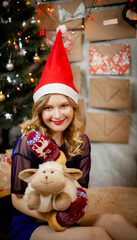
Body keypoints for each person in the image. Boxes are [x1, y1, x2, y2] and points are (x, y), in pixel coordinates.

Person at [10, 30, 137, 240]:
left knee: (115, 221)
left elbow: (80, 190)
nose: (57, 114)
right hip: (32, 220)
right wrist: (52, 219)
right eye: (48, 108)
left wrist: (68, 215)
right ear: (40, 112)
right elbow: (17, 199)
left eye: (64, 105)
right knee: (96, 235)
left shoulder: (81, 142)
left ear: (74, 108)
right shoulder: (28, 143)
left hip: (67, 213)